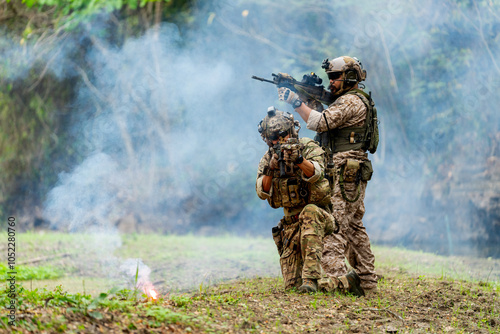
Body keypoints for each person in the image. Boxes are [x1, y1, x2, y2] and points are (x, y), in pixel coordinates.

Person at [276, 56, 379, 294]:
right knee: (354, 227)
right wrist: (301, 92)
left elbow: (319, 122)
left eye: (335, 77)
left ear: (351, 77)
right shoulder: (346, 100)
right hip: (349, 169)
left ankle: (336, 282)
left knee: (333, 225)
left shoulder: (351, 101)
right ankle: (367, 282)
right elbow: (324, 112)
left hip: (346, 171)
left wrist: (294, 101)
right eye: (329, 77)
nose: (331, 82)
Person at [255, 106, 364, 296]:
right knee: (293, 288)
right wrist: (271, 169)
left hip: (317, 217)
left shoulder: (308, 147)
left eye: (283, 135)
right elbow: (263, 192)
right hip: (290, 226)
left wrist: (299, 160)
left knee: (310, 212)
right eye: (273, 137)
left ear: (291, 131)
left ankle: (310, 279)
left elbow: (316, 173)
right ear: (267, 139)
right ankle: (346, 282)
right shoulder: (268, 158)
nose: (279, 141)